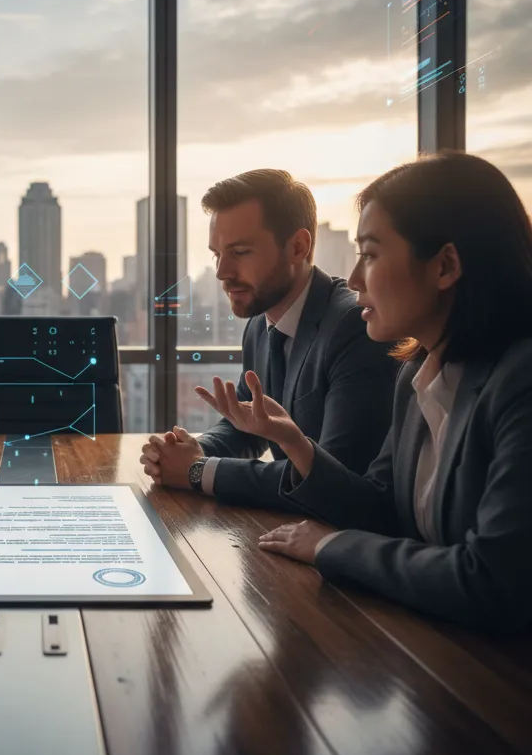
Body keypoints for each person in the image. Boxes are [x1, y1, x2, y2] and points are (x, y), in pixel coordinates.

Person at [196, 153, 532, 632]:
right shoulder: (417, 374)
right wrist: (295, 444)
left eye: (370, 255)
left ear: (445, 265)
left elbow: (492, 581)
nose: (353, 280)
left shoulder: (520, 381)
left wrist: (330, 546)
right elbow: (379, 508)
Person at [141, 169, 396, 510]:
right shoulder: (261, 326)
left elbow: (333, 476)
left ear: (298, 246)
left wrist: (198, 471)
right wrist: (189, 451)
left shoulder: (354, 325)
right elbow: (249, 424)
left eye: (240, 252)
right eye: (217, 254)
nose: (222, 272)